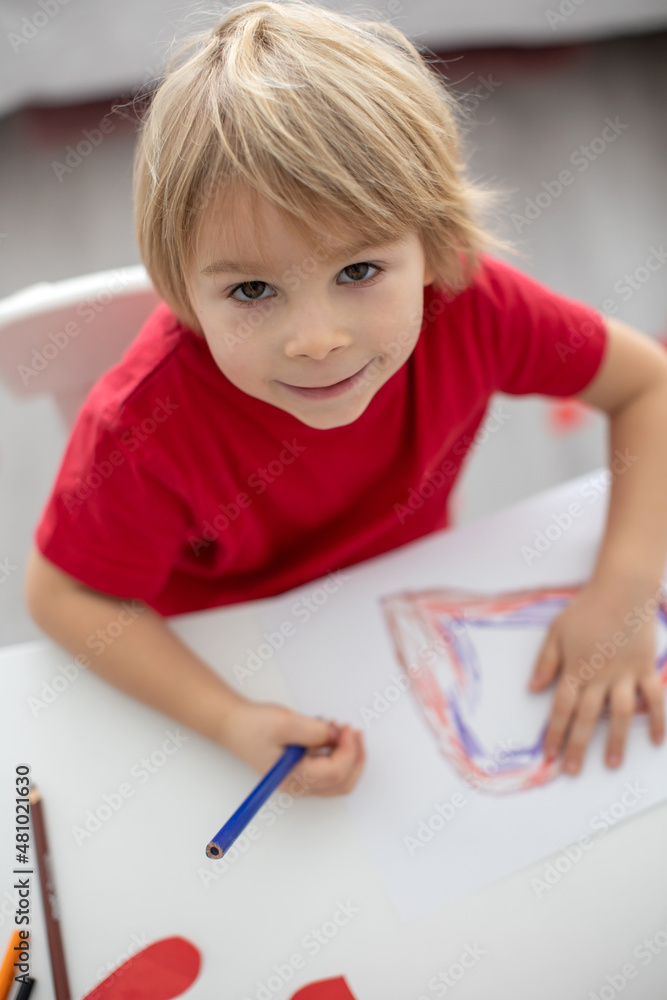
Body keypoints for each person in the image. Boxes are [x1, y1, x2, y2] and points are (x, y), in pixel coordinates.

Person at [25, 0, 667, 797]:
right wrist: (227, 718)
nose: (315, 340)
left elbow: (646, 384)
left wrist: (624, 591)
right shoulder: (144, 424)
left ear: (435, 245)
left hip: (402, 607)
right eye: (252, 290)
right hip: (225, 655)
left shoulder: (472, 305)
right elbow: (63, 593)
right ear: (180, 291)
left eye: (357, 271)